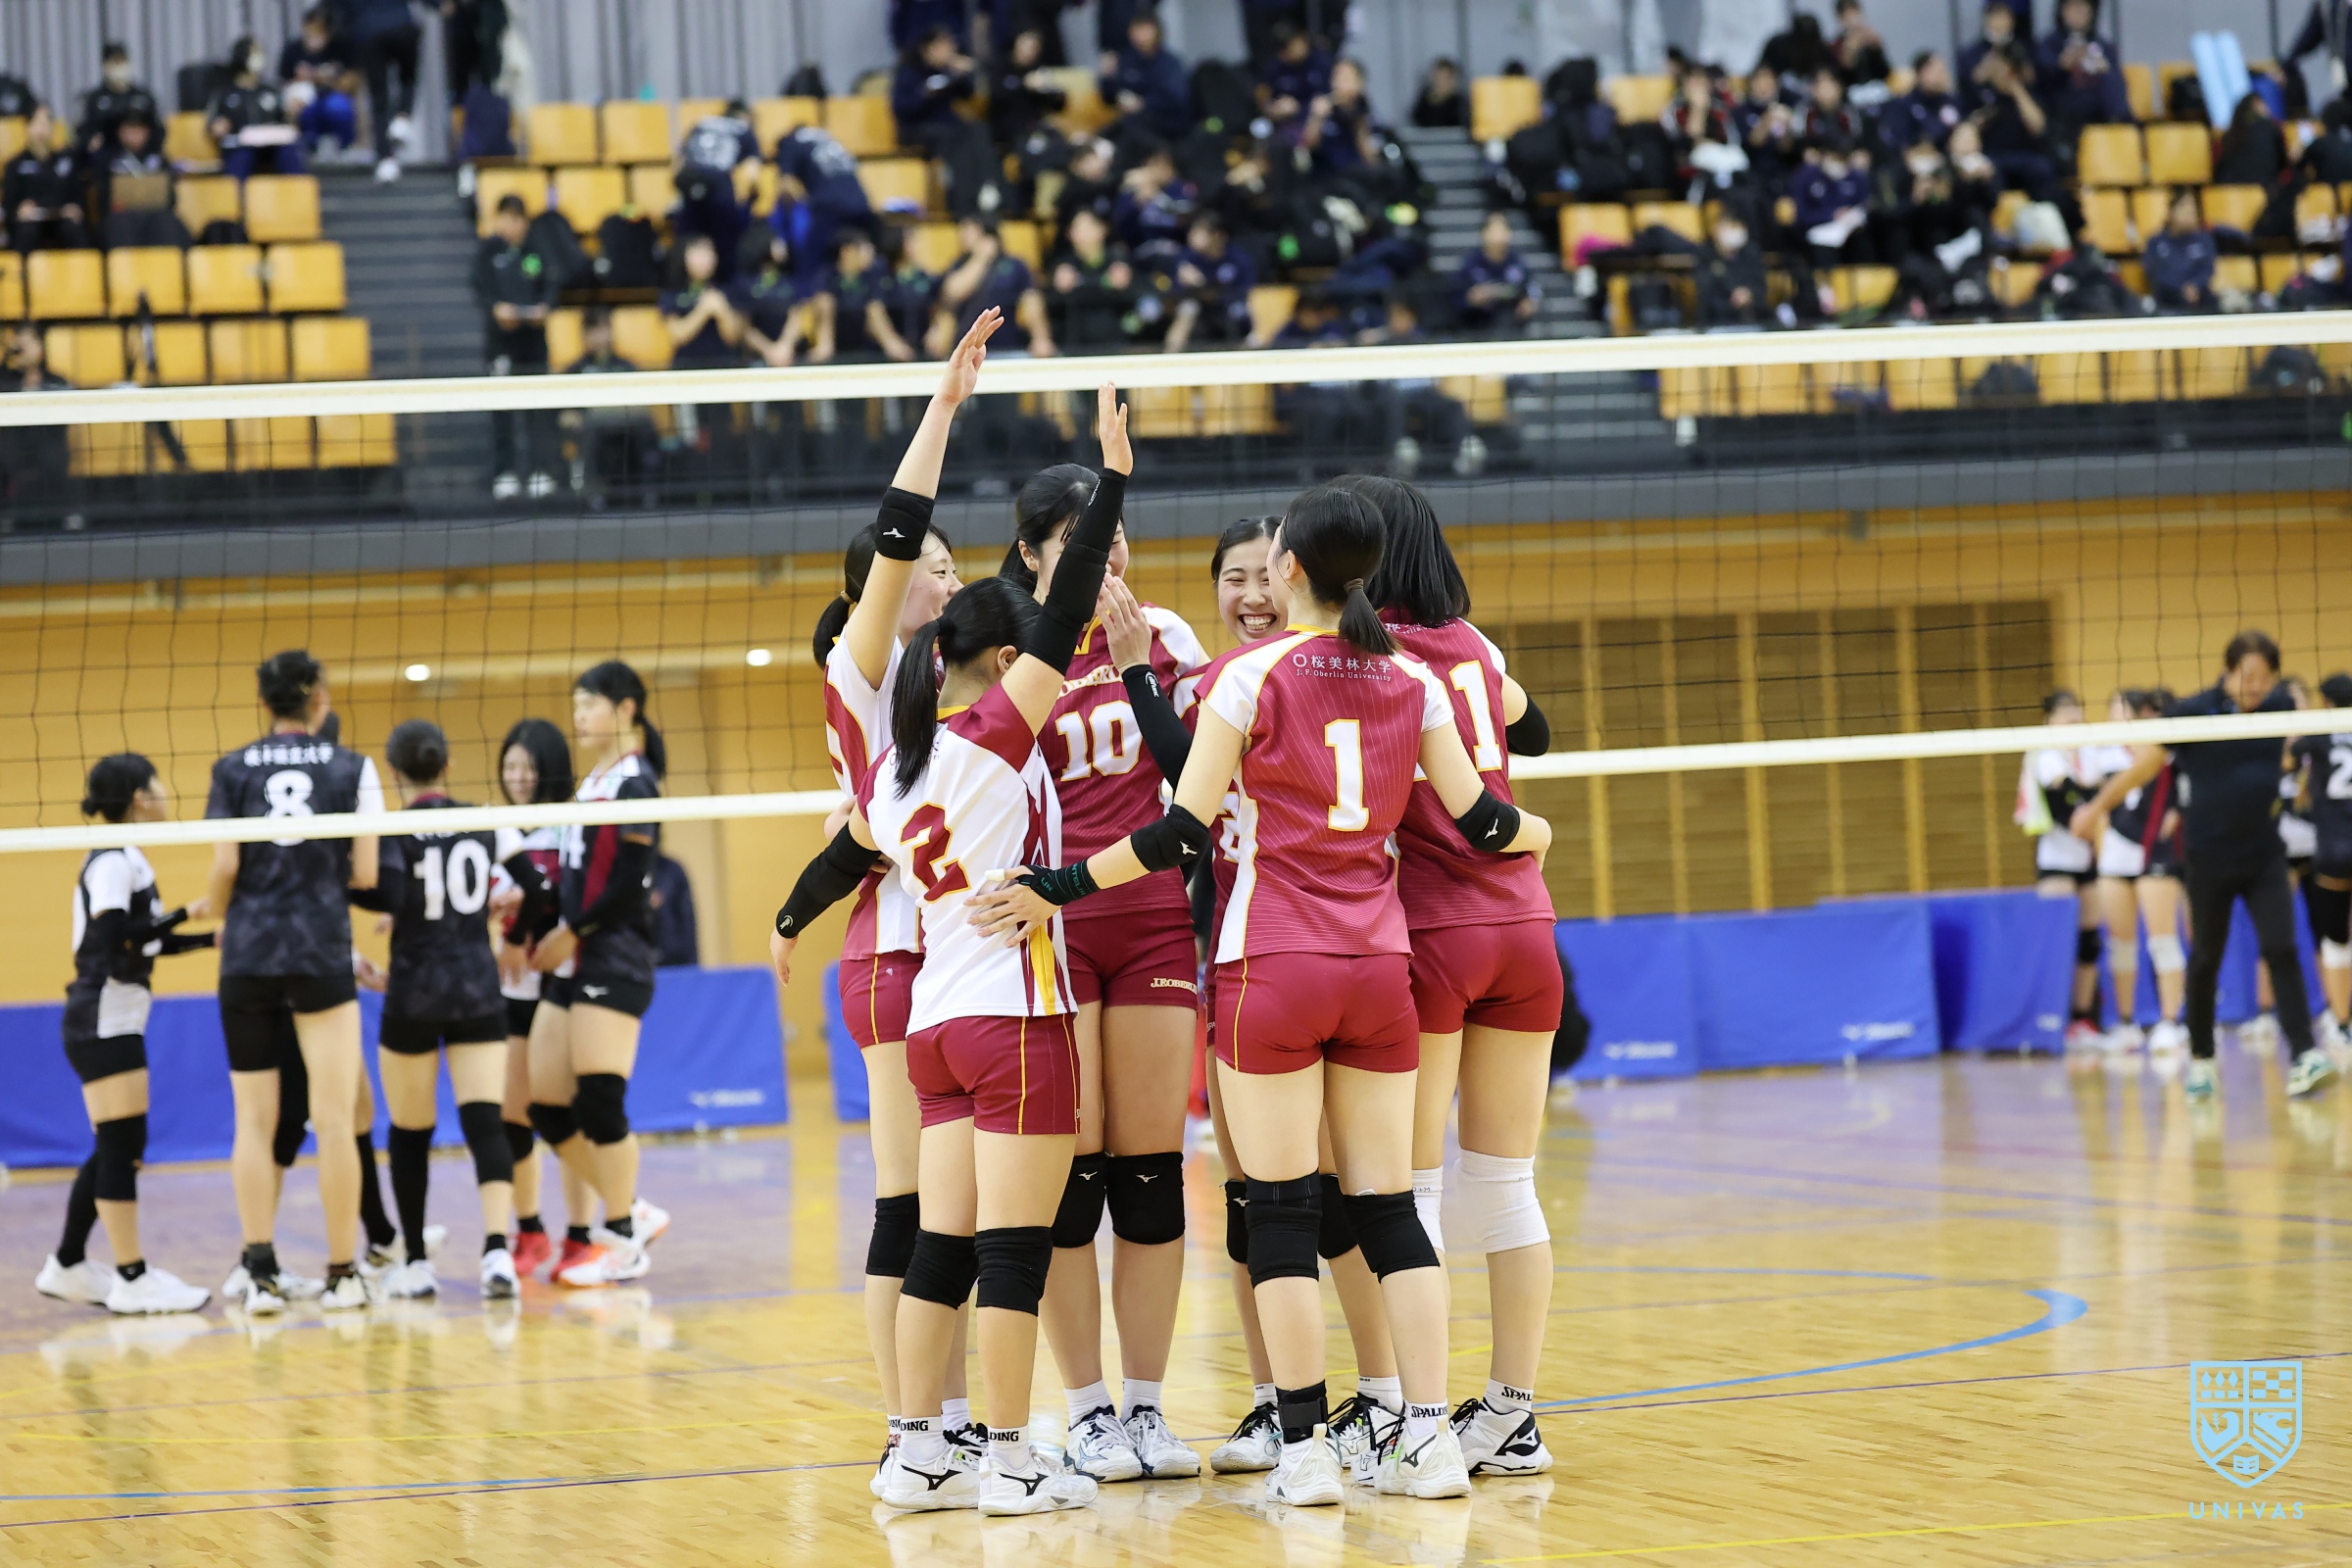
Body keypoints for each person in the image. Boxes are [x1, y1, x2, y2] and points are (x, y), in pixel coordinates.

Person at [970, 486, 1551, 1504]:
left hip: (1272, 962)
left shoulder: (1247, 674)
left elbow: (1178, 833)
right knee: (1391, 1208)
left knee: (1278, 1213)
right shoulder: (1410, 674)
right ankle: (1424, 1437)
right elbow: (1484, 818)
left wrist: (1056, 885)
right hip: (1381, 966)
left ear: (1290, 569)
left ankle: (1306, 1448)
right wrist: (1538, 835)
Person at [770, 381, 1133, 1516]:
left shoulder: (896, 768)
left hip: (933, 1027)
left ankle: (917, 1447)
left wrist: (787, 919)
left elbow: (843, 859)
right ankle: (1012, 1457)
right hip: (1015, 1018)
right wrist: (1114, 480)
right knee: (1015, 1252)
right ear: (1001, 657)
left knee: (941, 1244)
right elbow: (1073, 595)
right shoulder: (995, 734)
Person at [990, 457, 1211, 1484]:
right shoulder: (1013, 654)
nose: (1106, 551)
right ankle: (1084, 1409)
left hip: (1155, 919)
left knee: (1152, 1174)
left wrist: (1134, 666)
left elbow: (1199, 782)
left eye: (1114, 532)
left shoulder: (1165, 636)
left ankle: (1148, 1407)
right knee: (1072, 1180)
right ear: (1034, 554)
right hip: (1054, 928)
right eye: (1081, 537)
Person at [799, 313, 987, 1492]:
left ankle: (947, 1419)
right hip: (897, 955)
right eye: (934, 565)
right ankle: (913, 1427)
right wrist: (944, 408)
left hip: (952, 954)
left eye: (956, 567)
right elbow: (902, 523)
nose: (948, 575)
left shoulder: (949, 682)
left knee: (949, 1213)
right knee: (909, 1206)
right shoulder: (863, 669)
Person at [1352, 473, 1562, 1477]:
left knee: (1414, 1189)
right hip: (1524, 924)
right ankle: (1513, 1415)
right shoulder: (1476, 646)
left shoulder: (1364, 657)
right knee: (1508, 1185)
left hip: (1430, 928)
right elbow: (1535, 730)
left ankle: (1417, 1417)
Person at [206, 651, 383, 1315]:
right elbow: (366, 873)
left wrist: (219, 911)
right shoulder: (353, 767)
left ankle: (258, 1273)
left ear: (264, 703)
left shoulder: (230, 768)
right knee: (333, 1121)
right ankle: (342, 1274)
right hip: (318, 948)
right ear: (319, 699)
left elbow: (226, 865)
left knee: (253, 1121)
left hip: (248, 953)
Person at [2076, 631, 2328, 1101]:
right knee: (2205, 959)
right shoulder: (2192, 712)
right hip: (2209, 860)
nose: (2256, 686)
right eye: (2248, 676)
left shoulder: (2278, 708)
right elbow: (2145, 767)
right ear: (2227, 671)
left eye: (2265, 677)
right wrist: (2096, 808)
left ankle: (2303, 1055)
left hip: (2264, 856)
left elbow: (2302, 747)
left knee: (2281, 948)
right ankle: (2203, 1060)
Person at [33, 755, 216, 1316]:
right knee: (121, 1146)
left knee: (119, 1144)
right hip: (102, 1017)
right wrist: (184, 912)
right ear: (139, 796)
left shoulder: (128, 855)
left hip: (114, 1016)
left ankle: (67, 1264)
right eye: (157, 783)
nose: (164, 792)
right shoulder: (112, 859)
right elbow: (116, 936)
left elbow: (145, 941)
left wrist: (209, 938)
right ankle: (132, 1278)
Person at [358, 720, 519, 1302]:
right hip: (476, 987)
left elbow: (373, 890)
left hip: (414, 991)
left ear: (393, 772)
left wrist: (397, 913)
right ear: (447, 766)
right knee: (485, 1122)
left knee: (409, 1132)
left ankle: (417, 1263)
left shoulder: (390, 831)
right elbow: (533, 883)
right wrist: (505, 909)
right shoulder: (485, 821)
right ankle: (497, 1253)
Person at [527, 662, 674, 1287]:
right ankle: (631, 1209)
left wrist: (573, 931)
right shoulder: (593, 783)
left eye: (589, 703)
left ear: (625, 709)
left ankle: (620, 1238)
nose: (579, 715)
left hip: (613, 958)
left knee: (599, 1101)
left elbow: (629, 884)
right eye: (576, 704)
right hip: (575, 959)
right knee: (545, 1105)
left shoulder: (636, 784)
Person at [490, 717, 580, 1283]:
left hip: (560, 985)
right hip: (512, 991)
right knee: (512, 1112)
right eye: (510, 767)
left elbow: (569, 901)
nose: (518, 777)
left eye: (529, 766)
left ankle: (584, 1232)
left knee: (563, 1111)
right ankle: (529, 1228)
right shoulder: (498, 831)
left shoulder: (571, 826)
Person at [2091, 690, 2189, 1055]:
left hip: (2154, 854)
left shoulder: (2164, 752)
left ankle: (2171, 1022)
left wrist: (2176, 816)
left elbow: (2178, 798)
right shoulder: (2104, 755)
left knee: (2163, 941)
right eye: (2112, 710)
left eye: (2121, 710)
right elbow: (2101, 809)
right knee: (2121, 946)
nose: (2115, 717)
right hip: (2116, 857)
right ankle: (2126, 1024)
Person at [2019, 690, 2105, 1052]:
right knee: (2058, 943)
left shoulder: (2091, 752)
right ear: (2049, 718)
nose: (2073, 716)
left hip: (2088, 860)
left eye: (2077, 709)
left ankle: (2083, 1020)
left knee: (2090, 942)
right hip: (2055, 860)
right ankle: (2052, 1019)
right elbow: (2067, 805)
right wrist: (2089, 802)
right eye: (2065, 711)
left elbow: (2098, 795)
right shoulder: (2044, 754)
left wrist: (2090, 800)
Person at [471, 193, 561, 502]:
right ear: (498, 220)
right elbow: (480, 289)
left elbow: (551, 285)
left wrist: (544, 308)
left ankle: (541, 470)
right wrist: (497, 309)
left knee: (538, 410)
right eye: (508, 218)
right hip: (501, 345)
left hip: (533, 344)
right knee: (503, 412)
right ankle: (504, 472)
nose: (514, 224)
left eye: (519, 218)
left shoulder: (536, 250)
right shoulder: (488, 252)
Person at [2293, 673, 2352, 1053]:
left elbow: (2287, 759)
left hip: (2333, 848)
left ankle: (2341, 1022)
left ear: (2327, 702)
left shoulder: (2316, 733)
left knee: (2335, 939)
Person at [894, 27, 1004, 219]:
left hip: (947, 126)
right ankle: (961, 204)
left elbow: (967, 95)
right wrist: (925, 94)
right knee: (953, 138)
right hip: (916, 129)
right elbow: (902, 109)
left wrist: (960, 75)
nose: (949, 52)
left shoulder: (946, 71)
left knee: (977, 130)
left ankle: (990, 188)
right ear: (928, 49)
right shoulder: (909, 72)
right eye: (943, 47)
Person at [925, 216, 1056, 358]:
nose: (962, 236)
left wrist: (1040, 338)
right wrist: (981, 259)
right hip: (966, 351)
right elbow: (953, 293)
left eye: (969, 230)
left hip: (1007, 349)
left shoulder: (1014, 265)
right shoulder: (958, 265)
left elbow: (1032, 301)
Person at [771, 123, 877, 291]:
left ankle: (806, 301)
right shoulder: (829, 139)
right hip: (862, 205)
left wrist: (803, 206)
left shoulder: (790, 142)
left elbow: (786, 186)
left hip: (830, 206)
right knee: (861, 260)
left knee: (810, 262)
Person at [675, 100, 760, 280]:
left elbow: (679, 163)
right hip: (719, 186)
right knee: (727, 243)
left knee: (689, 242)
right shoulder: (743, 129)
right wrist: (747, 201)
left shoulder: (702, 124)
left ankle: (685, 288)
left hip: (690, 183)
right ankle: (726, 286)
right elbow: (752, 173)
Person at [345, 0, 424, 182]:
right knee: (408, 78)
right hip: (401, 26)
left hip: (369, 33)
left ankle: (385, 159)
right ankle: (403, 116)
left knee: (379, 98)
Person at [210, 36, 305, 178]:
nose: (260, 57)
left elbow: (286, 121)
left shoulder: (271, 91)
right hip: (240, 147)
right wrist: (217, 126)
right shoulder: (225, 94)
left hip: (271, 147)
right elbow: (212, 123)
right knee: (240, 158)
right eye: (255, 52)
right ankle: (236, 193)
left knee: (290, 151)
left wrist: (292, 115)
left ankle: (297, 190)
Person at [1045, 208, 1138, 352]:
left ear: (1102, 229)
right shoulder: (1062, 267)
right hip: (1073, 346)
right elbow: (1050, 306)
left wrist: (1125, 287)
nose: (1083, 234)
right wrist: (1058, 289)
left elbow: (1141, 305)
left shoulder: (1119, 263)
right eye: (1078, 228)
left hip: (1116, 345)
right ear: (1069, 234)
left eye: (1088, 227)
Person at [1100, 8, 1194, 148]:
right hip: (1134, 121)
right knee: (1112, 131)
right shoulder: (1127, 60)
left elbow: (1175, 98)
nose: (1140, 35)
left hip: (1167, 123)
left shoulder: (1170, 63)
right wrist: (1107, 77)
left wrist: (1143, 103)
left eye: (1145, 29)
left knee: (1131, 128)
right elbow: (1110, 98)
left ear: (1157, 31)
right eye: (1136, 29)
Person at [821, 230, 921, 363]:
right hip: (839, 350)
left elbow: (875, 311)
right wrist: (825, 341)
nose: (871, 252)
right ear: (847, 251)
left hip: (868, 350)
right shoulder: (827, 277)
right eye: (864, 248)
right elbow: (824, 308)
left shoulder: (873, 275)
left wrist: (891, 342)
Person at [1162, 212, 1254, 353]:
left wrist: (1206, 285)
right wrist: (1188, 283)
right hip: (1198, 307)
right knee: (1188, 309)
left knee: (1243, 314)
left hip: (1227, 307)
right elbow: (1174, 290)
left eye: (1200, 233)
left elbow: (1244, 290)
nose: (1192, 237)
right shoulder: (1187, 257)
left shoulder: (1238, 259)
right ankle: (1170, 356)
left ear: (1217, 236)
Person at [2034, 0, 2129, 135]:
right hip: (2063, 109)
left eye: (2083, 9)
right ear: (2062, 12)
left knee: (2110, 79)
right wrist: (2063, 65)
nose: (2078, 14)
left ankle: (2121, 124)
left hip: (2099, 106)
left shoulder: (2104, 46)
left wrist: (2102, 68)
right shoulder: (2049, 44)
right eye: (2073, 8)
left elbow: (2116, 81)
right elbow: (2042, 78)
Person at [281, 8, 363, 161]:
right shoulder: (293, 50)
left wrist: (327, 79)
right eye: (310, 31)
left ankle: (345, 148)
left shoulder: (340, 47)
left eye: (319, 31)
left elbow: (353, 82)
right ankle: (308, 149)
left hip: (332, 97)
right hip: (306, 102)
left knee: (338, 106)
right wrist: (301, 81)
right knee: (303, 109)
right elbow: (284, 83)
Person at [6, 107, 89, 254]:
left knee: (74, 231)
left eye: (45, 125)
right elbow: (9, 204)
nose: (41, 131)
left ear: (52, 129)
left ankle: (83, 268)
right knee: (26, 233)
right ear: (27, 128)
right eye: (37, 124)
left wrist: (76, 208)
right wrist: (19, 211)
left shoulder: (67, 161)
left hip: (62, 218)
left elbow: (79, 196)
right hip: (31, 221)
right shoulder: (15, 165)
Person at [663, 232, 748, 368]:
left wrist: (722, 310)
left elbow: (734, 338)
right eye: (698, 252)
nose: (704, 259)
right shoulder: (672, 293)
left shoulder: (727, 290)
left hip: (725, 365)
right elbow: (676, 336)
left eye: (709, 252)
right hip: (685, 366)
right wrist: (703, 310)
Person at [1456, 211, 1541, 332]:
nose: (1499, 237)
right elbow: (1459, 295)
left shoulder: (1517, 262)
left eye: (1502, 230)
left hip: (1512, 324)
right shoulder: (1471, 263)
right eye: (1494, 231)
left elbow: (1531, 288)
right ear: (1483, 233)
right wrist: (1471, 299)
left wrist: (1529, 302)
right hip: (1478, 326)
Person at [76, 42, 158, 159]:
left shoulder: (144, 97)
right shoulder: (94, 98)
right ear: (105, 66)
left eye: (122, 61)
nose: (119, 67)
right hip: (106, 156)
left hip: (142, 155)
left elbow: (157, 130)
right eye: (115, 62)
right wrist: (91, 141)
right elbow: (85, 131)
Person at [2144, 189, 2217, 312]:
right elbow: (2154, 272)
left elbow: (2207, 269)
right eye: (2183, 206)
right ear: (2171, 212)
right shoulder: (2155, 242)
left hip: (2199, 294)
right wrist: (2182, 288)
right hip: (2168, 296)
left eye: (2193, 207)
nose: (2190, 212)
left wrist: (2195, 285)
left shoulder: (2204, 240)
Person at [1696, 209, 1771, 326]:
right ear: (1716, 229)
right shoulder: (1706, 256)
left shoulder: (1751, 253)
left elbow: (1761, 285)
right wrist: (1732, 300)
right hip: (1716, 321)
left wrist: (1749, 294)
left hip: (1753, 319)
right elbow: (1705, 292)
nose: (1734, 231)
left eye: (1736, 226)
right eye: (1729, 226)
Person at [1880, 53, 1963, 154]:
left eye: (1942, 71)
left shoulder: (1952, 101)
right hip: (1920, 156)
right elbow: (1901, 141)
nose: (1940, 76)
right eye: (1935, 72)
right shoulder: (1905, 104)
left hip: (1953, 154)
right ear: (1919, 74)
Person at [1258, 22, 1334, 133]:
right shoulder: (1275, 68)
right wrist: (1274, 109)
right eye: (1287, 47)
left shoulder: (1322, 62)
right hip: (1285, 124)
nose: (1294, 49)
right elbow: (1263, 100)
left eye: (1295, 43)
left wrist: (1301, 108)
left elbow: (1334, 96)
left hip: (1319, 120)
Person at [650, 856, 699, 967]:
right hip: (639, 958)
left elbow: (687, 920)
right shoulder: (623, 869)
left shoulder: (671, 870)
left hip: (674, 959)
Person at [1833, 0, 1891, 86]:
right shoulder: (1837, 45)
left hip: (1877, 87)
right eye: (1848, 15)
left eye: (1855, 13)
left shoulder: (1871, 38)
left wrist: (1876, 49)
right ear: (1841, 19)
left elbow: (1885, 72)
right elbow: (1841, 79)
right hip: (1853, 90)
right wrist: (1849, 53)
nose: (1853, 19)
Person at [1410, 58, 1465, 128]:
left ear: (1452, 80)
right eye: (1438, 77)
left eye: (1445, 78)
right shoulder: (1423, 104)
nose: (1441, 82)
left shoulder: (1460, 106)